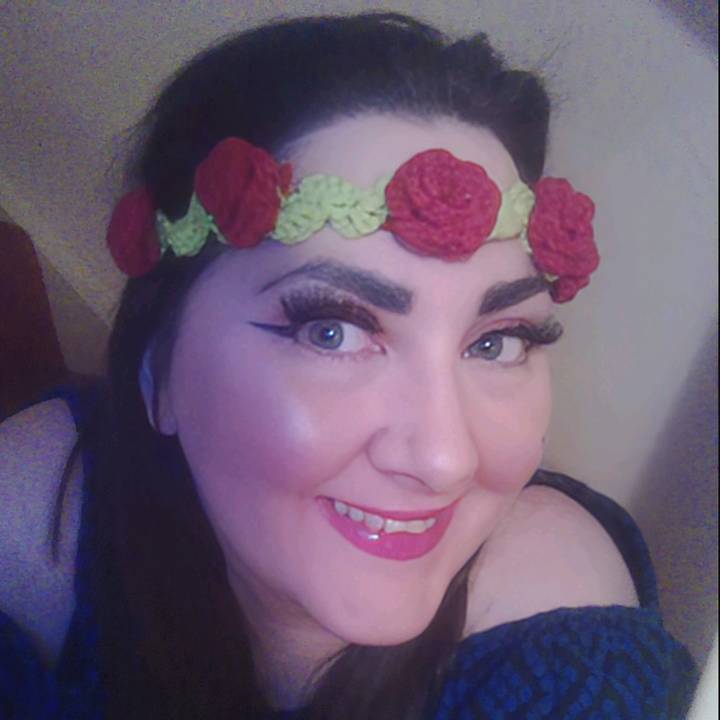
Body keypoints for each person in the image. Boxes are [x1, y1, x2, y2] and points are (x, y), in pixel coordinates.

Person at [0, 11, 700, 720]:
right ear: (158, 369)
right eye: (330, 332)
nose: (445, 459)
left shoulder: (561, 632)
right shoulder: (41, 509)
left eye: (497, 342)